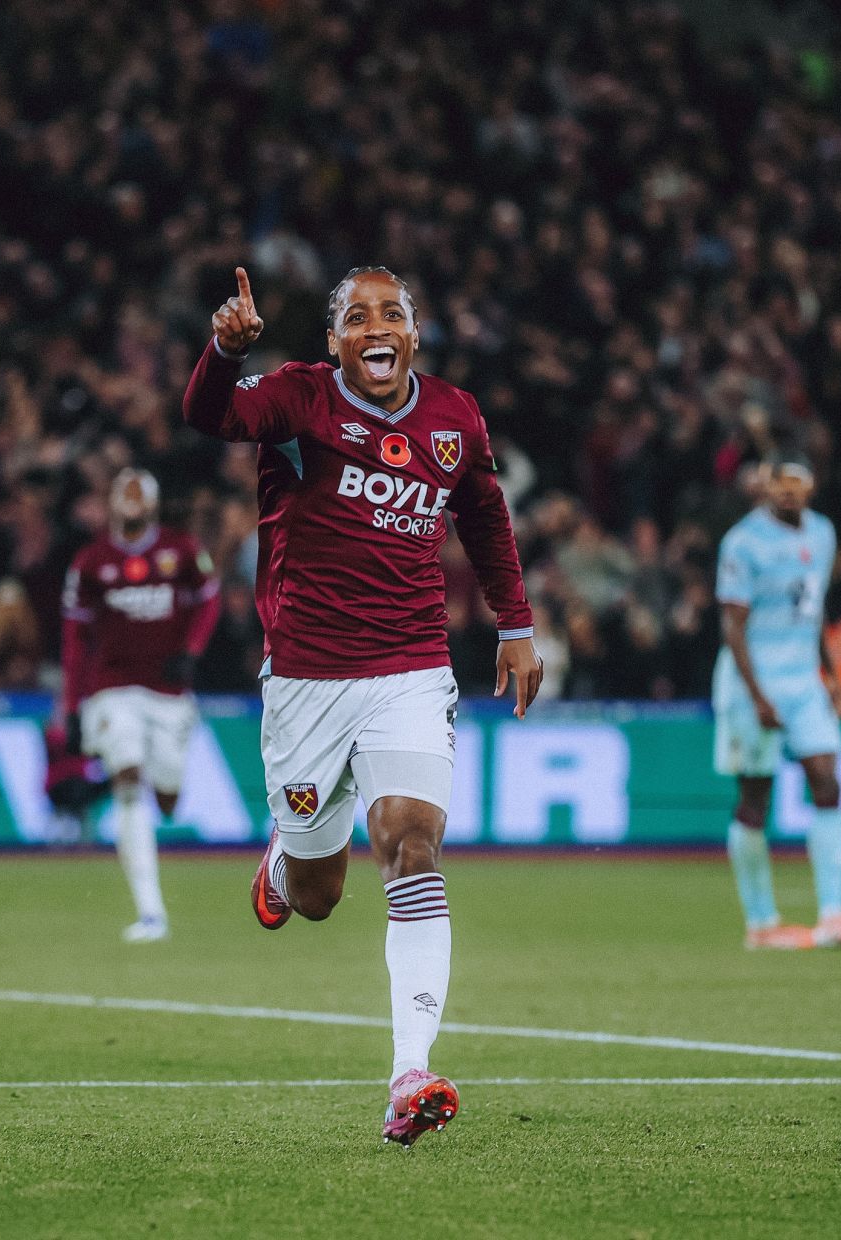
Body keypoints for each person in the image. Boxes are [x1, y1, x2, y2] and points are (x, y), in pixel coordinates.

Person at [183, 266, 543, 1146]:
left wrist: (515, 623)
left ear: (413, 336)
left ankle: (408, 1071)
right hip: (305, 678)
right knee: (317, 894)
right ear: (334, 339)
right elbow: (209, 416)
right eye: (355, 316)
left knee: (412, 843)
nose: (374, 328)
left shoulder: (454, 418)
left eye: (391, 314)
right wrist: (224, 353)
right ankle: (284, 859)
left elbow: (485, 519)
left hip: (410, 671)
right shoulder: (296, 400)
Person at [713, 455, 841, 950]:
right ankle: (761, 923)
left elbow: (814, 603)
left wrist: (830, 670)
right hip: (752, 682)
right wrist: (758, 695)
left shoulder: (822, 533)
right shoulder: (742, 542)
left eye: (796, 485)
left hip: (804, 679)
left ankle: (832, 914)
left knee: (827, 779)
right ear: (767, 489)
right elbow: (733, 627)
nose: (787, 493)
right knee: (755, 798)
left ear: (810, 489)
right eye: (778, 485)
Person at [61, 468, 220, 942]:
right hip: (113, 688)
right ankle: (151, 912)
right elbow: (74, 639)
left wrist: (191, 651)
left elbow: (209, 602)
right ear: (112, 503)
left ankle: (166, 788)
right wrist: (72, 705)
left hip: (169, 693)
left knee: (167, 796)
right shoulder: (91, 562)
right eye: (123, 495)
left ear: (151, 503)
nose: (131, 503)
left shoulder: (183, 550)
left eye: (138, 495)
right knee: (128, 779)